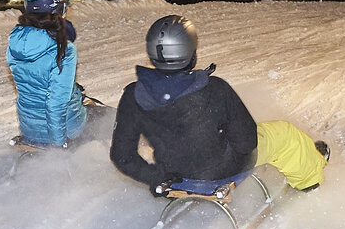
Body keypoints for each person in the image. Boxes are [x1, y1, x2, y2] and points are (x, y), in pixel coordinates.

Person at [109, 15, 329, 194]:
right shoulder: (214, 88)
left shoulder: (132, 95)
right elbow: (247, 141)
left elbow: (122, 156)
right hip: (224, 168)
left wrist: (156, 177)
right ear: (190, 53)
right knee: (284, 133)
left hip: (173, 171)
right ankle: (310, 177)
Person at [6, 0, 89, 148]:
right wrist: (58, 145)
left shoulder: (15, 43)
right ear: (59, 7)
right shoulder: (63, 48)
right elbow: (56, 103)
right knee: (109, 119)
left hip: (30, 130)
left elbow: (35, 81)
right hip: (62, 132)